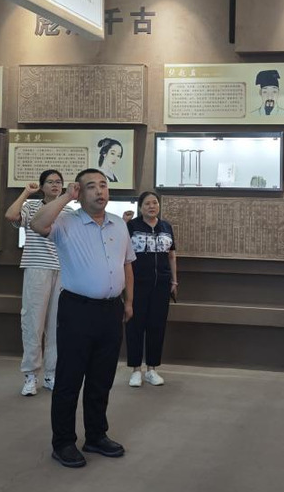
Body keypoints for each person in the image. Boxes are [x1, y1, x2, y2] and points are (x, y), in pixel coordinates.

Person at [30, 169, 135, 469]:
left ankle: (96, 436)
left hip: (111, 310)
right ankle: (63, 442)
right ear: (79, 191)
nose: (100, 191)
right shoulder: (65, 222)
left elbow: (127, 264)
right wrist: (66, 197)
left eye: (103, 185)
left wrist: (129, 302)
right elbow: (37, 224)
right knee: (69, 379)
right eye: (91, 187)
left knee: (102, 379)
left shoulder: (119, 224)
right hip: (77, 310)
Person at [4, 170, 64, 397]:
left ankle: (51, 373)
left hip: (63, 271)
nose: (55, 185)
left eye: (58, 182)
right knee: (33, 323)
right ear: (42, 186)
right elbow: (11, 215)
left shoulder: (68, 210)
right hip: (37, 268)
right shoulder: (31, 206)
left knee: (57, 326)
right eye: (50, 182)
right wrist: (26, 193)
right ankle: (30, 375)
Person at [125, 192, 178, 388]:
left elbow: (171, 256)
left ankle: (152, 369)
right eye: (147, 203)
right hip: (137, 284)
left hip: (161, 284)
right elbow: (123, 255)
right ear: (140, 207)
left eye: (154, 203)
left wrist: (174, 281)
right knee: (135, 326)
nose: (152, 206)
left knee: (157, 326)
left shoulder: (166, 227)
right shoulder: (132, 226)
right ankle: (135, 370)